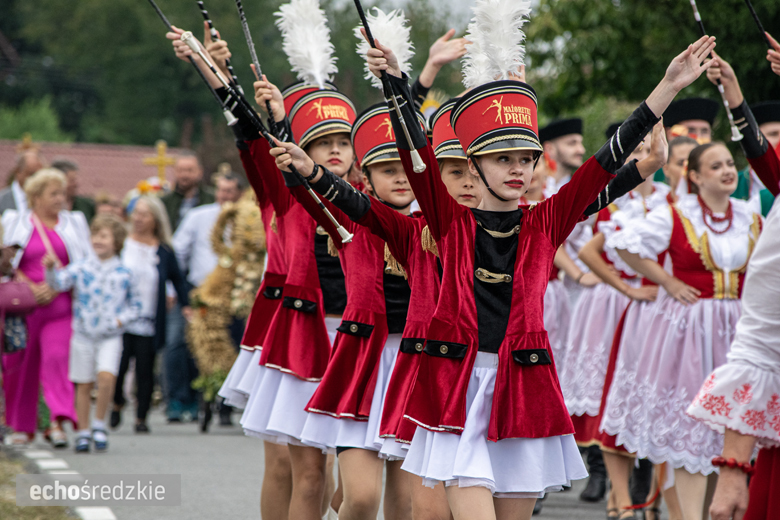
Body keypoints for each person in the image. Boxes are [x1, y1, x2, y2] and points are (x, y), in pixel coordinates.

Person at [368, 6, 717, 512]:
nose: (517, 169)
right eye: (502, 159)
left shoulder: (544, 222)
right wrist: (397, 83)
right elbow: (414, 148)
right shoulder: (448, 222)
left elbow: (600, 169)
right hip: (457, 392)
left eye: (525, 159)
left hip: (523, 391)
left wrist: (666, 90)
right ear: (474, 165)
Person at [1, 168, 92, 447]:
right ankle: (22, 426)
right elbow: (6, 262)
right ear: (36, 196)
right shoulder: (15, 221)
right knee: (22, 364)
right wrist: (29, 285)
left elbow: (85, 262)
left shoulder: (74, 222)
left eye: (62, 193)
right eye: (53, 193)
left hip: (61, 303)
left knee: (56, 358)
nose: (59, 199)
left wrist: (56, 285)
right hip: (25, 305)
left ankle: (57, 420)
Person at [44, 214, 141, 452]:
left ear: (116, 242)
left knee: (107, 376)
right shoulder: (81, 268)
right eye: (96, 235)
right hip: (83, 334)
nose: (98, 240)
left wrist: (120, 320)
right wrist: (49, 270)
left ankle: (99, 423)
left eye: (104, 236)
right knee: (84, 383)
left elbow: (136, 306)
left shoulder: (125, 273)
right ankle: (84, 430)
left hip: (110, 335)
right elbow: (58, 283)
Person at [168, 171, 246, 423]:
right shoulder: (198, 216)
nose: (224, 196)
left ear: (239, 194)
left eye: (229, 191)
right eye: (221, 191)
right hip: (199, 292)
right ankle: (184, 399)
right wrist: (176, 291)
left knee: (232, 347)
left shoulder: (247, 219)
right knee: (182, 345)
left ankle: (224, 405)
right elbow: (177, 252)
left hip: (235, 294)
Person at [111, 196, 190, 433]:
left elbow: (177, 279)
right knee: (119, 364)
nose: (138, 219)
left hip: (149, 318)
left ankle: (141, 416)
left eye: (144, 214)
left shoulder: (163, 249)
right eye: (136, 213)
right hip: (121, 317)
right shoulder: (123, 243)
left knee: (145, 369)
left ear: (155, 219)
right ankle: (116, 402)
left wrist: (185, 304)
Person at [159, 151, 214, 422]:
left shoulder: (211, 201)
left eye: (190, 170)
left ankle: (199, 400)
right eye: (180, 170)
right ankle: (176, 399)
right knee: (175, 343)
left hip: (209, 283)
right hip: (179, 281)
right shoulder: (165, 203)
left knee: (203, 345)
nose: (185, 176)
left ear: (199, 172)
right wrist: (170, 288)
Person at [539, 118, 585, 194]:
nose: (582, 150)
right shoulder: (530, 190)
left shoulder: (583, 190)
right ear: (549, 148)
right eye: (572, 143)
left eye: (581, 143)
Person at [0, 149, 45, 215]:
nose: (36, 180)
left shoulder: (46, 200)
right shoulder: (2, 199)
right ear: (18, 171)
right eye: (31, 175)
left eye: (39, 175)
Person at [51, 159, 96, 223]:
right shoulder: (48, 207)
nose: (76, 184)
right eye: (72, 180)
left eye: (76, 180)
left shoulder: (86, 205)